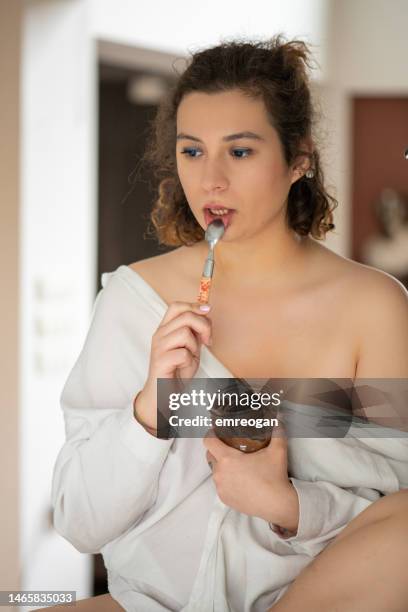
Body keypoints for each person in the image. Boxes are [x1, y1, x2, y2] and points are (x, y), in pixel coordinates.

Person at [51, 35, 408, 611]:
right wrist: (148, 409)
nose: (211, 179)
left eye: (239, 152)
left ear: (299, 158)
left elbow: (397, 520)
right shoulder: (132, 299)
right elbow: (79, 523)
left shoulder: (375, 307)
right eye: (192, 151)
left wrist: (285, 503)